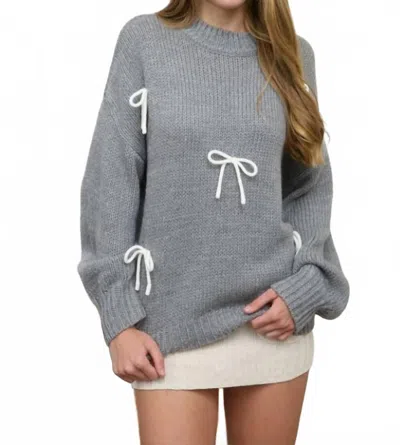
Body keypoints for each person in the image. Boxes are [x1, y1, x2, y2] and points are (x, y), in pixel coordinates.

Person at [77, 1, 350, 443]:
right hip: (167, 326)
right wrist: (119, 317)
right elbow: (111, 180)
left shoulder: (293, 54)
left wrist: (303, 288)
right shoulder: (144, 42)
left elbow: (309, 187)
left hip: (272, 322)